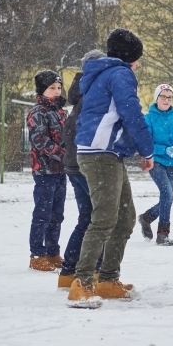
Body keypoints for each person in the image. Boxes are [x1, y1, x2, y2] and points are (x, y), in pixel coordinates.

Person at [67, 28, 154, 308]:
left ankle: (107, 280)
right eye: (137, 58)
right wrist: (147, 150)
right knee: (104, 218)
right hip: (100, 153)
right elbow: (131, 113)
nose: (137, 64)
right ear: (130, 57)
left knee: (125, 217)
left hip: (108, 153)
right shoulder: (119, 74)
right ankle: (81, 282)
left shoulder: (104, 73)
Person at [57, 50, 104, 288]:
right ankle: (95, 270)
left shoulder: (80, 94)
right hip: (87, 163)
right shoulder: (95, 94)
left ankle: (68, 271)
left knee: (87, 217)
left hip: (73, 164)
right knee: (102, 218)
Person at [138, 83, 173, 246]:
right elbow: (146, 143)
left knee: (168, 198)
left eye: (170, 97)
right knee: (167, 194)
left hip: (172, 162)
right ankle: (163, 234)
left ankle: (146, 218)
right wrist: (164, 149)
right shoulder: (149, 118)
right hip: (155, 161)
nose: (167, 100)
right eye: (163, 97)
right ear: (157, 98)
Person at [27, 70, 67, 272]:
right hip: (44, 171)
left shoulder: (62, 112)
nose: (57, 91)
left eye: (59, 88)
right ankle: (37, 254)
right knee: (43, 214)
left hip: (61, 171)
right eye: (52, 88)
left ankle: (52, 252)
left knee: (57, 214)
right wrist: (63, 154)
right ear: (43, 89)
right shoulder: (37, 113)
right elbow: (40, 140)